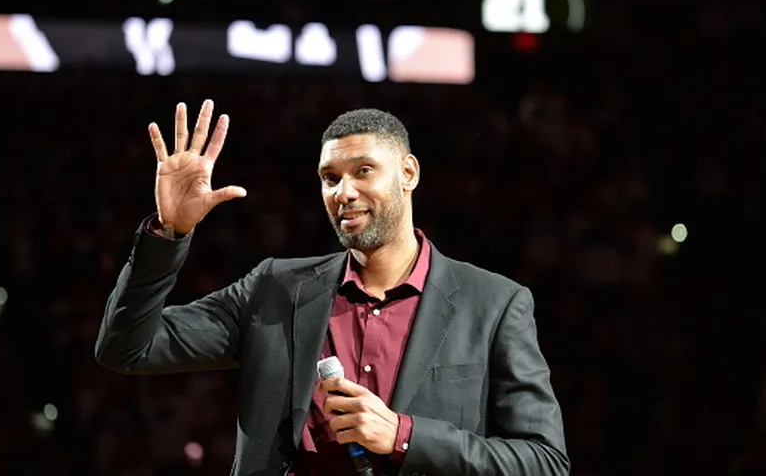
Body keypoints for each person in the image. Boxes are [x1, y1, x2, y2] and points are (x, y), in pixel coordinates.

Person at [95, 99, 570, 476]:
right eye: (329, 178)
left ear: (408, 173)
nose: (343, 192)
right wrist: (169, 232)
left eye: (363, 171)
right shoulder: (274, 289)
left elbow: (545, 462)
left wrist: (403, 436)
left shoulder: (494, 303)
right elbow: (127, 349)